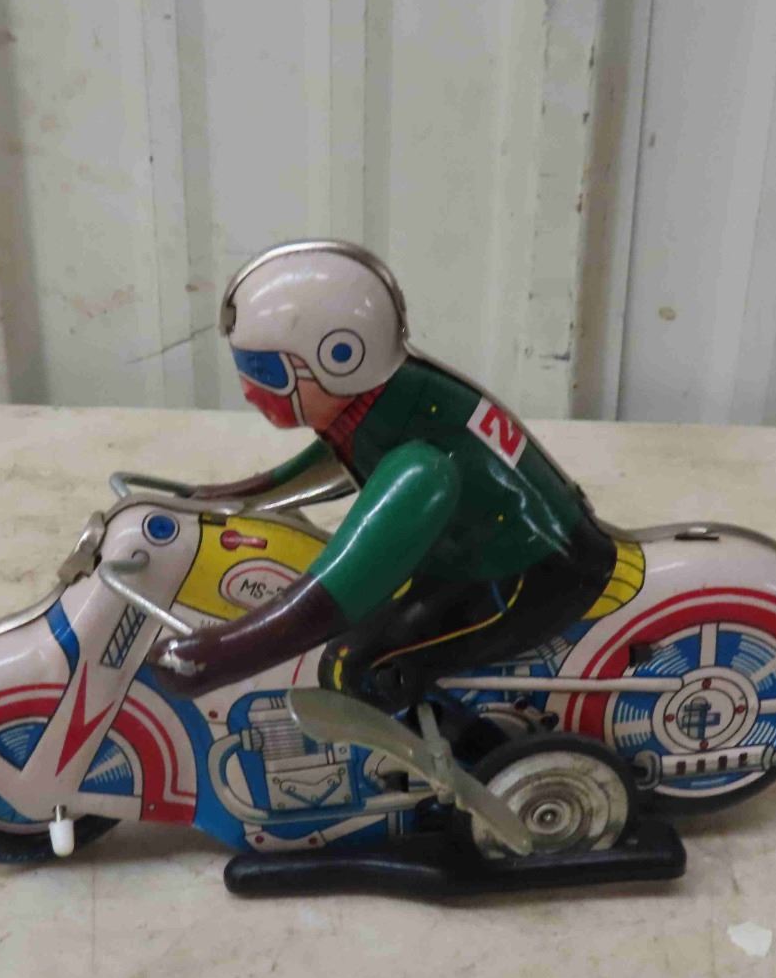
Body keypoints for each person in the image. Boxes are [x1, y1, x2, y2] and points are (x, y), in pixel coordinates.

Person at [150, 240, 618, 714]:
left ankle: (460, 755)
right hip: (480, 553)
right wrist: (221, 498)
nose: (250, 391)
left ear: (342, 356)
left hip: (527, 574)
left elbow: (335, 594)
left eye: (266, 371)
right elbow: (342, 460)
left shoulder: (419, 466)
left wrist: (222, 654)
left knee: (353, 665)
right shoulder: (387, 402)